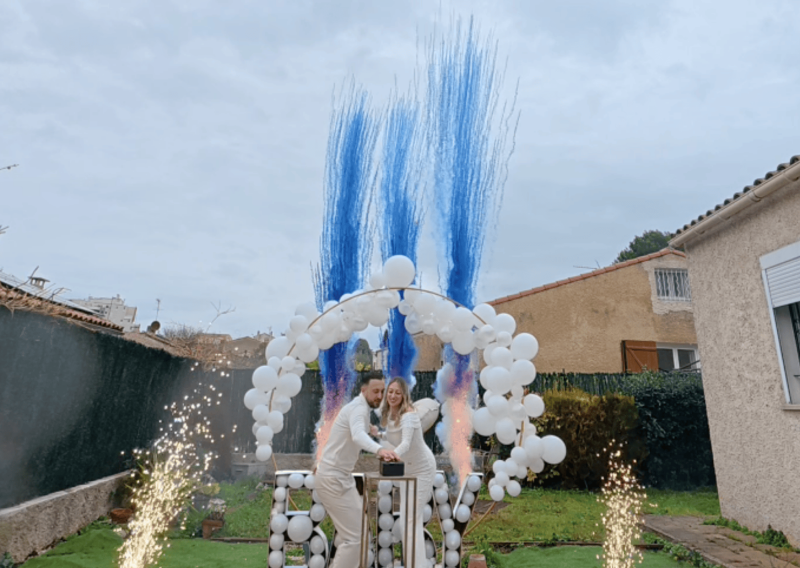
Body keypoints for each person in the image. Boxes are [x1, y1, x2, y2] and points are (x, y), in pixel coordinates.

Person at [315, 372, 400, 568]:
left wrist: (373, 430)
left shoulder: (358, 408)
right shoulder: (358, 409)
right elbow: (357, 436)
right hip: (333, 479)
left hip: (339, 478)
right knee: (355, 538)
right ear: (364, 390)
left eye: (382, 391)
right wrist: (380, 450)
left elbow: (358, 428)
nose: (380, 396)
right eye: (375, 391)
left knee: (360, 536)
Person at [372, 377, 437, 568]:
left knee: (411, 519)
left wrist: (390, 455)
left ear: (404, 395)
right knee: (406, 521)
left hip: (422, 469)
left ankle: (417, 564)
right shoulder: (391, 414)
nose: (393, 396)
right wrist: (379, 434)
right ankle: (412, 562)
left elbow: (406, 443)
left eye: (397, 393)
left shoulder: (409, 415)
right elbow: (395, 436)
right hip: (407, 470)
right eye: (390, 391)